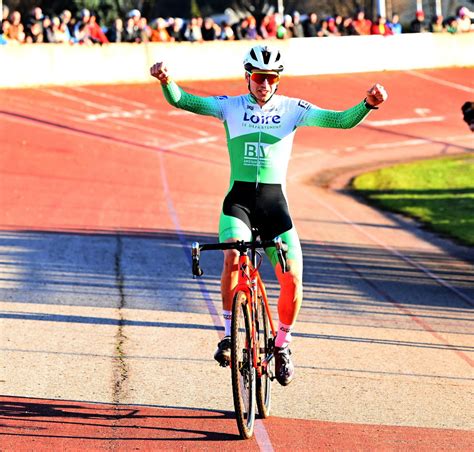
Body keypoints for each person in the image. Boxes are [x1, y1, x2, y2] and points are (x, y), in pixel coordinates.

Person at [149, 45, 387, 386]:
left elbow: (339, 120)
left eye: (271, 78)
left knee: (292, 278)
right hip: (239, 202)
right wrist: (166, 80)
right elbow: (184, 101)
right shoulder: (230, 106)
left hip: (275, 205)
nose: (264, 84)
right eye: (259, 77)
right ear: (248, 77)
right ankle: (230, 334)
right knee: (232, 254)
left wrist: (368, 105)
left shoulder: (293, 109)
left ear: (278, 80)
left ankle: (283, 342)